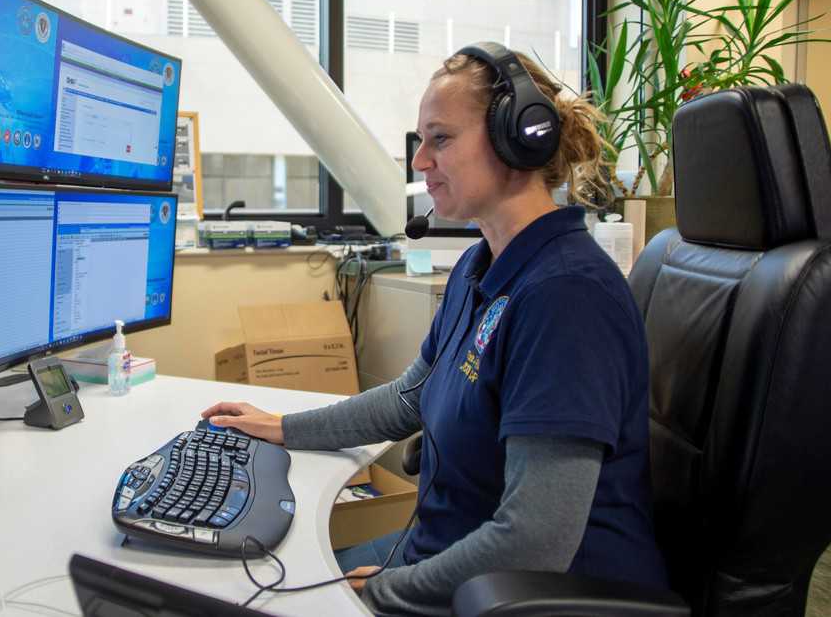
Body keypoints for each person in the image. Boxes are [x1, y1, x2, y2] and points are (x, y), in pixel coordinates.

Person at [202, 44, 668, 615]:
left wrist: (385, 590)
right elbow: (411, 396)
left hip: (522, 595)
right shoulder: (483, 266)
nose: (420, 161)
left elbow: (535, 539)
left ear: (518, 137)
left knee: (262, 594)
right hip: (446, 557)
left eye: (440, 139)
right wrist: (284, 427)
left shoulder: (567, 295)